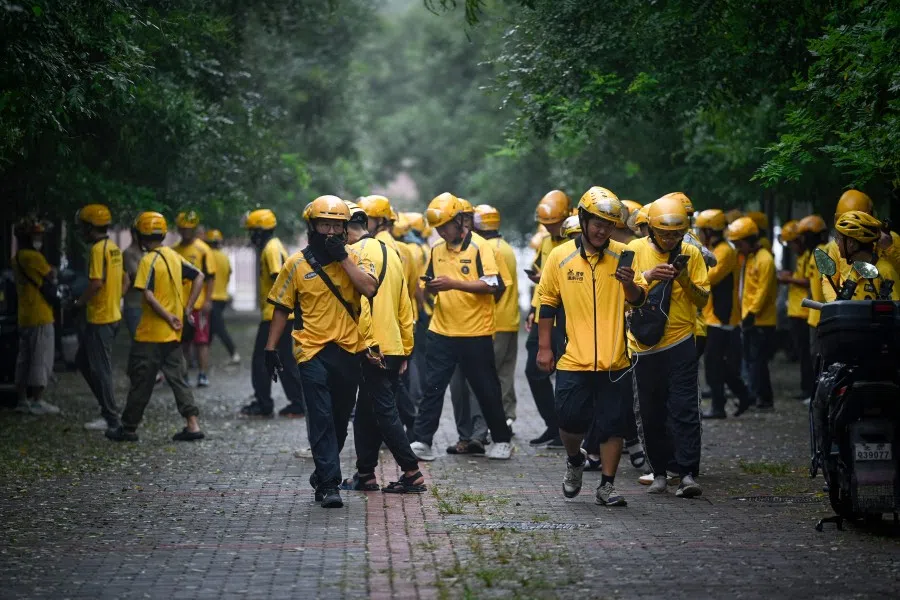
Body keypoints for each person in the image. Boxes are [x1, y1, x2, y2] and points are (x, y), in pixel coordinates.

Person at [265, 196, 377, 509]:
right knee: (321, 417)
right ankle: (329, 484)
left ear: (344, 229)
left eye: (336, 225)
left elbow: (369, 289)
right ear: (312, 226)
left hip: (347, 350)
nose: (329, 230)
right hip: (310, 350)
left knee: (340, 420)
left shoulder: (355, 256)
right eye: (324, 224)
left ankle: (323, 471)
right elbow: (281, 307)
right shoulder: (295, 263)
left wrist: (343, 259)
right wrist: (270, 348)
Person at [537, 188, 647, 507]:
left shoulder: (624, 254)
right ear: (583, 220)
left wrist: (628, 283)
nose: (602, 230)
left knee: (613, 424)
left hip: (615, 359)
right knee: (569, 421)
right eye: (597, 223)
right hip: (573, 358)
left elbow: (639, 299)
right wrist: (544, 348)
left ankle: (607, 486)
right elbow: (547, 302)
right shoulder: (560, 256)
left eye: (609, 225)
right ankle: (575, 460)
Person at [409, 192, 513, 461]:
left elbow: (494, 284)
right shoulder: (436, 250)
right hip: (441, 331)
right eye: (438, 228)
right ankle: (422, 441)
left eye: (446, 226)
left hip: (475, 333)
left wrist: (455, 284)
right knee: (433, 388)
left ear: (460, 221)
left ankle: (501, 440)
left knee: (486, 389)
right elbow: (428, 285)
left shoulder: (481, 247)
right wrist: (430, 288)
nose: (442, 232)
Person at [340, 200, 425, 493]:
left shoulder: (351, 255)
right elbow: (406, 306)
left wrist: (366, 346)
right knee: (367, 411)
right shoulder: (392, 252)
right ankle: (365, 475)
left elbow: (361, 305)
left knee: (385, 411)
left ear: (343, 228)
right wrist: (406, 350)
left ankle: (412, 472)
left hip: (369, 346)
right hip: (392, 345)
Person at [628, 195, 709, 497]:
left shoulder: (691, 253)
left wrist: (685, 278)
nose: (671, 239)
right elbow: (622, 295)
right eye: (664, 233)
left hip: (681, 341)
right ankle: (659, 472)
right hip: (645, 346)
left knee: (685, 409)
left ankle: (688, 474)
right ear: (650, 229)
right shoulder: (634, 250)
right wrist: (648, 277)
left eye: (677, 233)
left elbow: (703, 300)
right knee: (650, 413)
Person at [106, 212, 206, 442]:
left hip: (150, 332)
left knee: (141, 379)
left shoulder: (148, 260)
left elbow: (148, 296)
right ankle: (193, 425)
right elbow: (199, 276)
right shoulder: (173, 255)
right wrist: (187, 309)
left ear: (141, 235)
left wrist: (169, 316)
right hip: (172, 334)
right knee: (178, 378)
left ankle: (128, 427)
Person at [359, 195, 418, 433]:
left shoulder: (375, 248)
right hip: (397, 325)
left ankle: (407, 433)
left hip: (380, 328)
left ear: (381, 221)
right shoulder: (398, 247)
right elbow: (410, 288)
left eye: (367, 219)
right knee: (389, 387)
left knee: (386, 391)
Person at [240, 209, 306, 418]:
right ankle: (297, 402)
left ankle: (264, 403)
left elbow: (280, 278)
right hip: (280, 315)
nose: (250, 236)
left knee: (262, 360)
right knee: (285, 360)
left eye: (252, 232)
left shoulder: (271, 248)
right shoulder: (273, 246)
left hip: (275, 315)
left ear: (260, 232)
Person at [73, 204, 129, 431]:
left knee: (100, 369)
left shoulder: (98, 250)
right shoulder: (114, 248)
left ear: (89, 227)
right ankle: (107, 410)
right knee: (83, 362)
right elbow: (125, 280)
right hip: (112, 315)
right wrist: (115, 298)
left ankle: (112, 418)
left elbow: (96, 284)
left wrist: (79, 302)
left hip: (100, 318)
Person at [695, 209, 752, 418]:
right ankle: (743, 394)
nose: (698, 234)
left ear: (709, 231)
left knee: (714, 365)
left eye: (701, 230)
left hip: (722, 317)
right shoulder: (716, 249)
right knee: (718, 364)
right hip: (714, 317)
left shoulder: (724, 252)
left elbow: (709, 278)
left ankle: (720, 406)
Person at [525, 190, 571, 448]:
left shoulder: (574, 241)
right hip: (544, 311)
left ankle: (567, 429)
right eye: (546, 224)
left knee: (565, 375)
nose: (549, 227)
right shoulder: (545, 242)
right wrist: (533, 310)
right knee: (533, 371)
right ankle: (553, 424)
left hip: (564, 317)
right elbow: (545, 282)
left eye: (554, 223)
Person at [726, 216, 777, 412]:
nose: (738, 247)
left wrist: (751, 314)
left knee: (757, 361)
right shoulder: (750, 257)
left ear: (749, 240)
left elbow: (762, 291)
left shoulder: (765, 259)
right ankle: (760, 397)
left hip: (760, 320)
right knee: (753, 360)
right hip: (750, 318)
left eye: (739, 243)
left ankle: (760, 397)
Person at [12, 218, 60, 415]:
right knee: (41, 357)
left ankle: (22, 399)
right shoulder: (34, 257)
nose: (39, 239)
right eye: (36, 235)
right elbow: (52, 275)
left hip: (24, 315)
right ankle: (38, 400)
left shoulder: (16, 258)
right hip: (40, 314)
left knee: (24, 358)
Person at [172, 211, 216, 387]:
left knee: (201, 341)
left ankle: (203, 373)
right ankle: (184, 373)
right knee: (183, 342)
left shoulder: (203, 250)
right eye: (183, 229)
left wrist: (208, 300)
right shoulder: (174, 250)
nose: (186, 232)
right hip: (180, 304)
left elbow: (210, 277)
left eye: (189, 229)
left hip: (198, 304)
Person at [776, 220, 813, 401]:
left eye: (791, 243)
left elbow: (807, 281)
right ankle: (805, 388)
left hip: (804, 312)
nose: (790, 247)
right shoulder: (802, 257)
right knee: (802, 353)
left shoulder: (809, 256)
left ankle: (808, 389)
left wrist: (788, 280)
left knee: (806, 354)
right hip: (797, 311)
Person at [830, 211, 899, 300]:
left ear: (851, 243)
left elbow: (895, 311)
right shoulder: (854, 270)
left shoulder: (885, 272)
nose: (837, 243)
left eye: (838, 239)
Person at [204, 229, 240, 365]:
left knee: (218, 328)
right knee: (211, 328)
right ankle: (202, 355)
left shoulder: (206, 256)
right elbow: (229, 273)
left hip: (210, 297)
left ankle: (234, 353)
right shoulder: (225, 257)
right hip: (222, 297)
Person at [122, 227, 145, 338]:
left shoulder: (145, 253)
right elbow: (136, 278)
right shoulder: (128, 253)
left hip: (146, 305)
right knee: (139, 342)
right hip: (134, 305)